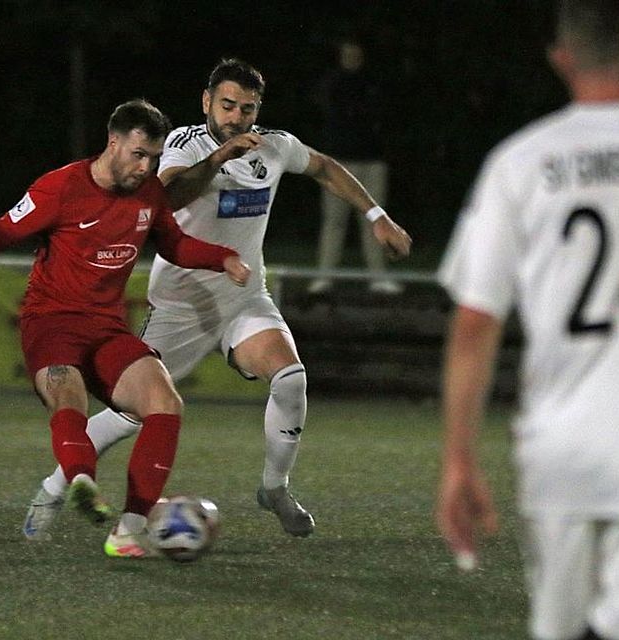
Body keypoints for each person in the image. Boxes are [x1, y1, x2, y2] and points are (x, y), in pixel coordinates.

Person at [24, 58, 412, 542]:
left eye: (247, 108)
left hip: (244, 299)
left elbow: (325, 167)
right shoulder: (181, 145)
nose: (237, 116)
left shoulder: (274, 145)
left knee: (291, 380)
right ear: (207, 102)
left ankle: (273, 489)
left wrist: (377, 215)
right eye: (228, 105)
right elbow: (168, 199)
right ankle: (56, 485)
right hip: (180, 305)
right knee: (133, 412)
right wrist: (219, 158)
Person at [0, 99, 252, 559]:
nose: (146, 168)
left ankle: (126, 530)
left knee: (165, 403)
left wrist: (221, 258)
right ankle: (80, 480)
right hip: (51, 323)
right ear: (113, 142)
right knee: (70, 397)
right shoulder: (61, 186)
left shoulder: (147, 196)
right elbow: (5, 230)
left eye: (154, 158)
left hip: (106, 328)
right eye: (138, 155)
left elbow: (175, 243)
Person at [436, 1, 619, 638]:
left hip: (561, 449)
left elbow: (475, 323)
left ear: (561, 57)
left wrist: (459, 459)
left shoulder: (520, 162)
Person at [308, 34, 402, 296]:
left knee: (375, 218)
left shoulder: (374, 82)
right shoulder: (330, 83)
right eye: (347, 53)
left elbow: (385, 117)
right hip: (338, 162)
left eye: (356, 53)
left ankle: (378, 277)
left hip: (372, 161)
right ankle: (324, 278)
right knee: (333, 221)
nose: (352, 58)